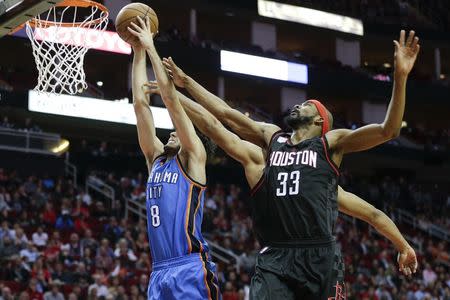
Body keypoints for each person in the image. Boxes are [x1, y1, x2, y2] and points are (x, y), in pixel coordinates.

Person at [157, 29, 420, 299]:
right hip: (276, 256)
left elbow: (387, 133)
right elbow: (225, 115)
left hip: (320, 257)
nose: (298, 105)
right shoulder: (273, 139)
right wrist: (185, 83)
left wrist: (399, 77)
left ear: (320, 121)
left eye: (307, 104)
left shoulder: (330, 146)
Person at [127, 16, 220, 300]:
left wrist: (151, 47)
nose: (172, 132)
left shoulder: (194, 155)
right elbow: (141, 106)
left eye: (179, 132)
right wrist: (138, 52)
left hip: (190, 268)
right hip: (159, 271)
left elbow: (170, 100)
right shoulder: (156, 159)